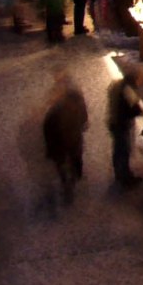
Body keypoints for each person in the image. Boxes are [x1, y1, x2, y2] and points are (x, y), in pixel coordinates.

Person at [41, 73, 89, 206]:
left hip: (61, 144)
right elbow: (84, 119)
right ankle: (72, 180)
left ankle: (67, 182)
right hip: (71, 142)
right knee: (74, 161)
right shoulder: (78, 105)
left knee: (63, 164)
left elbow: (47, 127)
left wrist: (50, 146)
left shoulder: (56, 109)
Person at [107, 62, 143, 187]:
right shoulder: (128, 88)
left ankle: (120, 174)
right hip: (121, 123)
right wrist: (140, 111)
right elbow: (133, 108)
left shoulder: (119, 84)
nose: (142, 80)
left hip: (114, 121)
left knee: (118, 149)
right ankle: (125, 177)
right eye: (141, 77)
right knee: (123, 149)